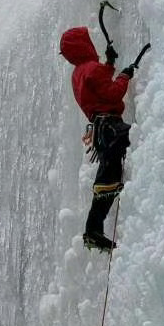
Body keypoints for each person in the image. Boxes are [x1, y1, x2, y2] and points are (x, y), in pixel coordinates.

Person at [60, 26, 136, 251]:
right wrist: (124, 76)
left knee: (109, 174)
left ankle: (94, 228)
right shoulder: (91, 68)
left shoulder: (78, 73)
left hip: (100, 129)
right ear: (83, 45)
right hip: (110, 126)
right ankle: (93, 229)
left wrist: (110, 64)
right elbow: (111, 93)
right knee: (114, 168)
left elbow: (98, 84)